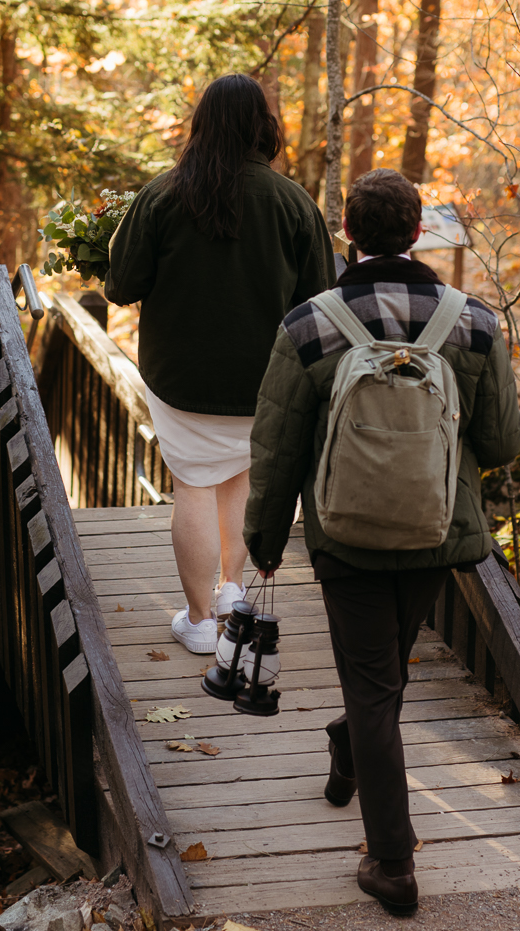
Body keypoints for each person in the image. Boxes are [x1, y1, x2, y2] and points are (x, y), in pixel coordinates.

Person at [243, 169, 520, 916]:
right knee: (382, 681)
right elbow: (500, 440)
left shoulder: (309, 322)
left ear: (348, 233)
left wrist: (263, 539)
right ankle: (352, 746)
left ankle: (393, 864)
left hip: (345, 537)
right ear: (417, 232)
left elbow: (276, 446)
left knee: (373, 687)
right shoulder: (473, 322)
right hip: (436, 535)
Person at [105, 74, 336, 653]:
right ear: (264, 126)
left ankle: (201, 621)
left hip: (181, 380)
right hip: (265, 381)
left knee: (193, 485)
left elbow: (121, 285)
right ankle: (233, 589)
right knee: (241, 479)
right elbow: (320, 304)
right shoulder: (294, 203)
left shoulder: (162, 195)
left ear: (201, 124)